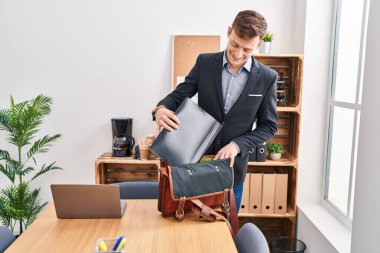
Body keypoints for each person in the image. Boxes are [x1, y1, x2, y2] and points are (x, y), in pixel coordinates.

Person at [152, 10, 278, 211]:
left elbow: (269, 127)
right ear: (229, 31)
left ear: (259, 44)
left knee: (224, 233)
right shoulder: (205, 62)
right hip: (195, 167)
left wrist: (237, 145)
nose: (238, 55)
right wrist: (160, 109)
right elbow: (179, 96)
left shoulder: (267, 77)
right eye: (235, 44)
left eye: (247, 50)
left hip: (231, 171)